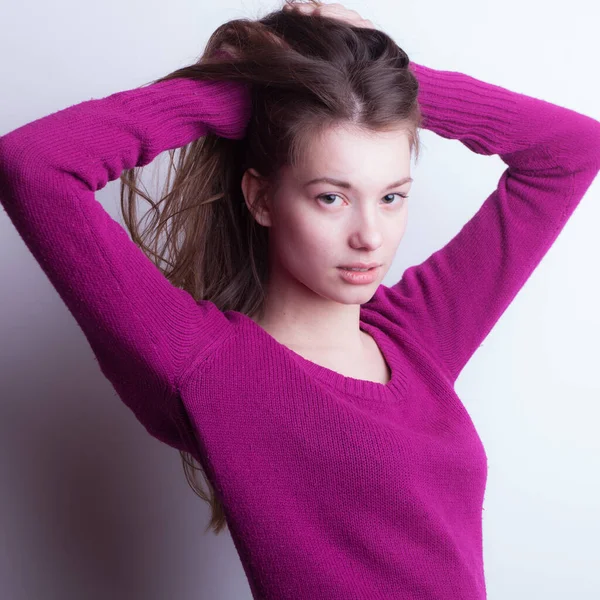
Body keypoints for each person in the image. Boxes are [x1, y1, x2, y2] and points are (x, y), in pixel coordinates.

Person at [0, 1, 598, 598]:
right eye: (331, 197)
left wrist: (384, 84)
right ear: (261, 199)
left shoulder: (416, 336)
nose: (370, 235)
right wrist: (233, 92)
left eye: (391, 197)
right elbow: (35, 165)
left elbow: (571, 150)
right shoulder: (210, 366)